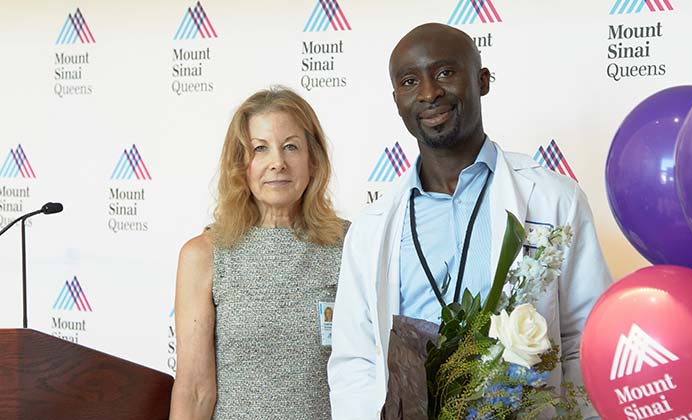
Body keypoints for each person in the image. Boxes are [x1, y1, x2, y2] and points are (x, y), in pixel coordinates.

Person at [328, 23, 612, 420]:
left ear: (482, 81)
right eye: (411, 81)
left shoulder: (553, 199)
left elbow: (588, 338)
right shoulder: (372, 226)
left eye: (445, 72)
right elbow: (356, 359)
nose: (429, 92)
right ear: (397, 100)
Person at [170, 87, 347, 420]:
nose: (277, 163)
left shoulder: (350, 245)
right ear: (241, 164)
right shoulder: (204, 255)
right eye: (260, 149)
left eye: (291, 147)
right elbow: (194, 390)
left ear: (313, 159)